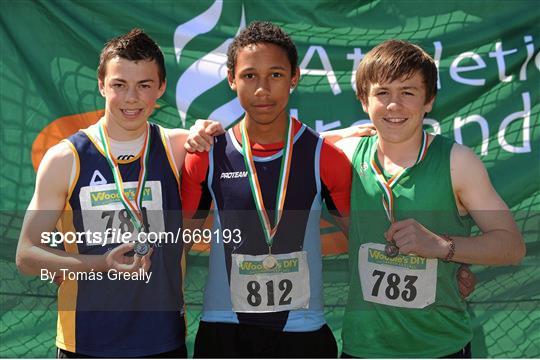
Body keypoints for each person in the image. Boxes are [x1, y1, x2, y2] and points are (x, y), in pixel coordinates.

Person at [15, 28, 223, 358]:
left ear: (161, 87)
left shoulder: (179, 148)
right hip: (85, 344)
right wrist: (100, 263)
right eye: (119, 85)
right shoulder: (65, 158)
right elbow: (26, 255)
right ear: (101, 85)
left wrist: (208, 129)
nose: (131, 98)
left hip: (162, 341)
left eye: (144, 85)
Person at [335, 39, 525, 358]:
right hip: (364, 349)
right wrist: (218, 134)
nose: (394, 105)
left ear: (429, 100)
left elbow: (512, 247)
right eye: (382, 93)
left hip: (440, 348)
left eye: (408, 92)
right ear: (363, 100)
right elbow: (284, 144)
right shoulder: (345, 156)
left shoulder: (457, 162)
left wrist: (441, 247)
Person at [181, 21, 352, 358]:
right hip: (224, 329)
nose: (262, 89)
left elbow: (368, 236)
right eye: (249, 76)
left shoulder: (325, 157)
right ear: (231, 79)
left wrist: (451, 267)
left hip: (302, 331)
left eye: (275, 75)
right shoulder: (206, 155)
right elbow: (177, 243)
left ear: (294, 78)